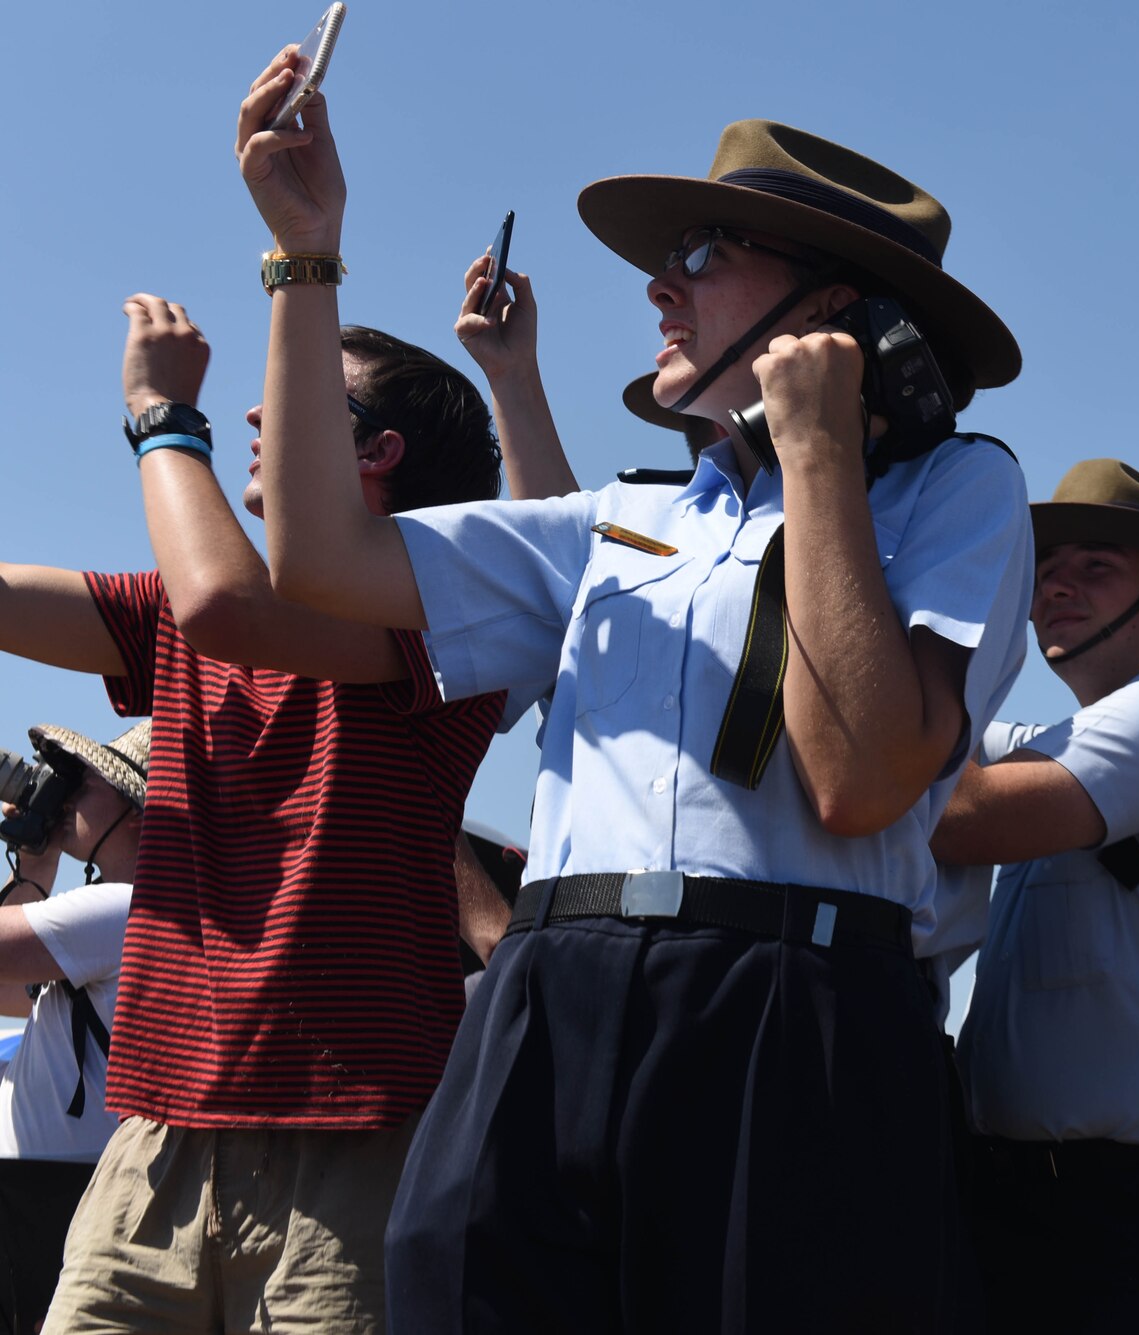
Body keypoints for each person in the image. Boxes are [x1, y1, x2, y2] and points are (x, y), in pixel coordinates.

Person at [234, 50, 1032, 1333]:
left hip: (792, 1009)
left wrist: (819, 452)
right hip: (552, 990)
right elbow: (322, 559)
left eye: (707, 250)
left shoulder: (954, 492)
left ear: (835, 311)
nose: (659, 284)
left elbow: (863, 776)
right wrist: (305, 254)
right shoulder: (619, 519)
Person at [0, 279, 509, 1333]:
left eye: (299, 396)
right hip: (159, 1140)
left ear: (376, 454)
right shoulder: (183, 618)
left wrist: (161, 422)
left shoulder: (449, 613)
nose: (253, 411)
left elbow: (225, 604)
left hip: (356, 1142)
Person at [931, 459, 1139, 1333]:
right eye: (1047, 568)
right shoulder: (1072, 735)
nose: (1055, 588)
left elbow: (955, 814)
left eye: (1097, 566)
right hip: (1043, 1204)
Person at [0, 722, 149, 1162]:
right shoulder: (141, 910)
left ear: (137, 813)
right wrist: (37, 867)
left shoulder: (119, 909)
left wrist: (35, 869)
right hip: (54, 1187)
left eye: (85, 783)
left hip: (50, 1196)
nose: (68, 798)